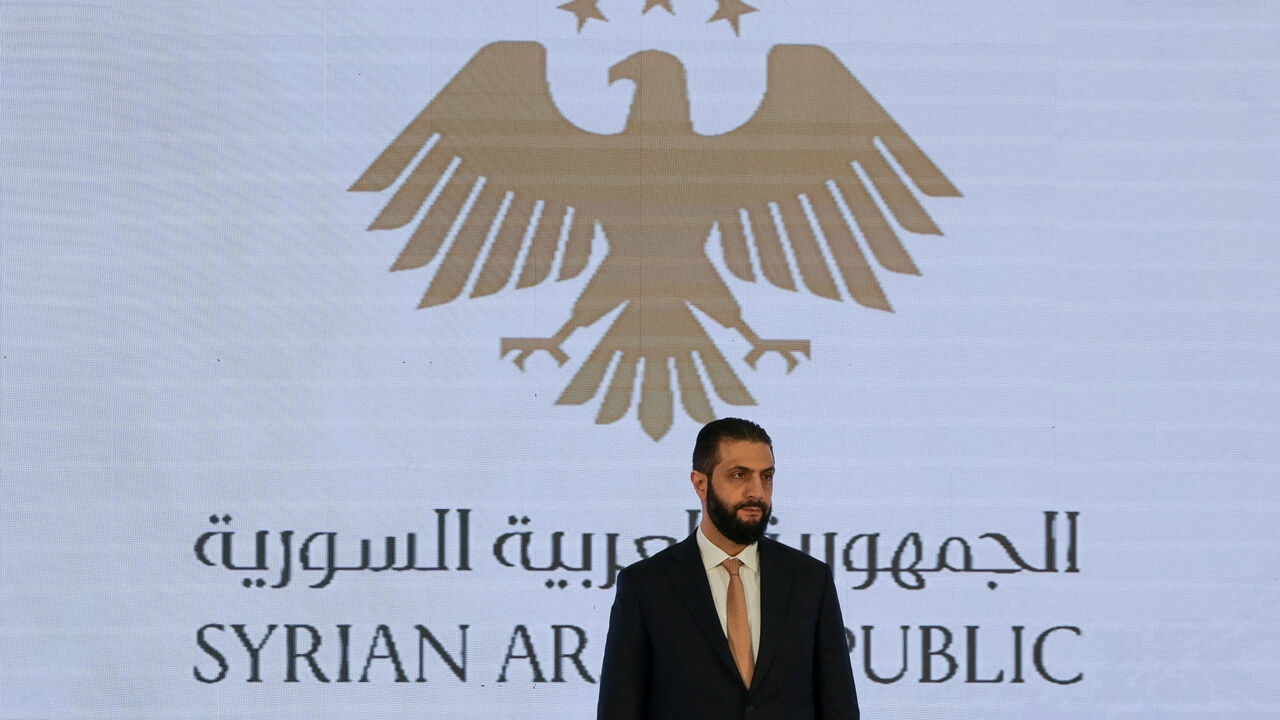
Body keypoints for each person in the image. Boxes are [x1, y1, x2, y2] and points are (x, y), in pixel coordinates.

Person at [597, 418, 860, 720]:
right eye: (739, 475)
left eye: (767, 476)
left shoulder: (810, 580)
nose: (757, 492)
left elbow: (839, 708)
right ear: (700, 483)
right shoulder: (645, 586)